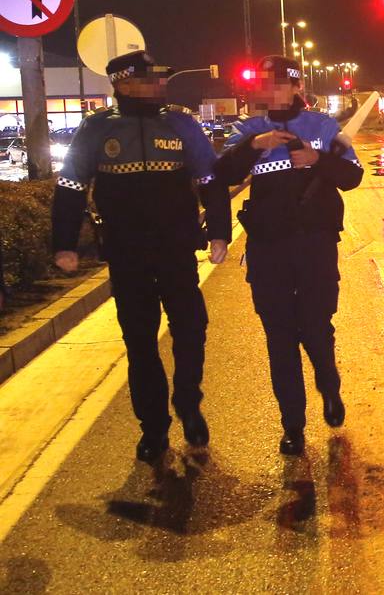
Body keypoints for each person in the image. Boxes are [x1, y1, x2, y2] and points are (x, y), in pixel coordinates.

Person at [51, 50, 231, 462]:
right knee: (139, 340)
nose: (161, 84)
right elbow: (70, 187)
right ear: (123, 82)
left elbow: (211, 179)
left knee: (191, 328)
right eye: (152, 79)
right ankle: (153, 428)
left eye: (162, 78)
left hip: (177, 249)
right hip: (127, 252)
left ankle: (188, 401)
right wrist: (63, 243)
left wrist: (219, 233)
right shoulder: (96, 130)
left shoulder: (181, 123)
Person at [215, 55, 362, 456]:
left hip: (315, 246)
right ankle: (292, 426)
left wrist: (319, 160)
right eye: (264, 83)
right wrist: (252, 147)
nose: (269, 90)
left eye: (278, 83)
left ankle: (329, 387)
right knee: (279, 338)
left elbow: (353, 176)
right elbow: (221, 174)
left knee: (315, 327)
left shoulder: (323, 127)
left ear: (296, 86)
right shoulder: (247, 130)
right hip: (267, 249)